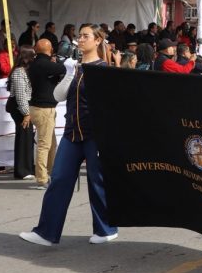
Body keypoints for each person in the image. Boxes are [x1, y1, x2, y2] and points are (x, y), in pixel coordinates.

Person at [20, 24, 119, 247]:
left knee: (97, 181)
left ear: (97, 41)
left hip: (95, 134)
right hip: (72, 133)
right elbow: (58, 95)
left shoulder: (103, 69)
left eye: (86, 36)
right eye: (79, 36)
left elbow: (110, 105)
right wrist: (69, 72)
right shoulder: (74, 66)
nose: (80, 40)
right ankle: (46, 232)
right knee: (60, 179)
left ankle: (106, 229)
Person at [27, 39, 66, 190]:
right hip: (44, 109)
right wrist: (57, 61)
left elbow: (55, 73)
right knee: (44, 145)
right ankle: (42, 179)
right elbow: (62, 69)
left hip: (39, 107)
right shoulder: (45, 64)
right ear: (49, 50)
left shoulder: (35, 64)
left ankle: (50, 173)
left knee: (51, 144)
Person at [7, 46, 36, 180]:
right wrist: (26, 113)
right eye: (32, 56)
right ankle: (23, 170)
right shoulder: (19, 72)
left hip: (22, 107)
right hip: (20, 108)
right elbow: (20, 95)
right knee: (24, 137)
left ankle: (27, 168)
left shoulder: (24, 71)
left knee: (27, 137)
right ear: (26, 58)